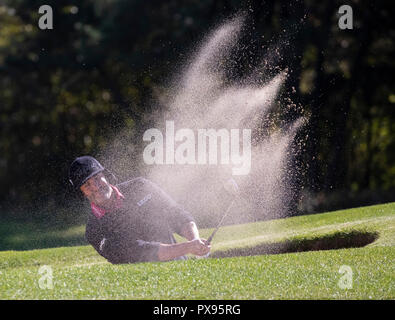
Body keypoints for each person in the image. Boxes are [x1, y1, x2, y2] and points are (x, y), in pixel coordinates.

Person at [68, 155, 211, 264]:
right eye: (87, 185)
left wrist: (196, 241)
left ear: (105, 176)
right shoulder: (94, 230)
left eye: (97, 178)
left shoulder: (140, 187)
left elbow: (177, 214)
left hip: (180, 265)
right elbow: (140, 252)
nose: (96, 187)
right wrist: (188, 247)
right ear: (82, 193)